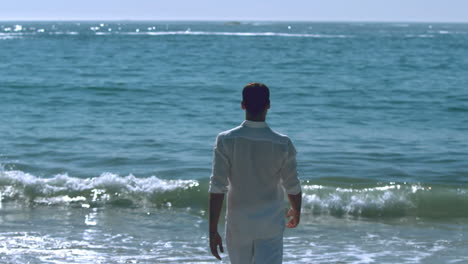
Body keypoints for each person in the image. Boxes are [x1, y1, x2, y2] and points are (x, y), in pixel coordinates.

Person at [208, 82, 302, 264]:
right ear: (268, 105)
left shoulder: (226, 140)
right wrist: (296, 210)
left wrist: (212, 231)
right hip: (270, 223)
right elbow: (292, 184)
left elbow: (217, 187)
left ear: (243, 105)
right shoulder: (282, 143)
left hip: (238, 222)